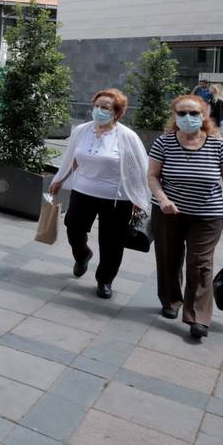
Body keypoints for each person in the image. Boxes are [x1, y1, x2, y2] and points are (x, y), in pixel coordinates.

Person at [147, 94, 223, 340]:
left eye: (194, 113)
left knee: (200, 263)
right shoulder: (164, 142)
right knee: (168, 258)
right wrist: (163, 199)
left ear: (204, 116)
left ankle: (198, 317)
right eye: (182, 113)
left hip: (207, 215)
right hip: (167, 213)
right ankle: (171, 299)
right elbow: (152, 175)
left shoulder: (218, 145)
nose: (188, 117)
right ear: (174, 116)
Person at [48, 89, 151, 299]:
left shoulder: (127, 137)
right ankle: (83, 254)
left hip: (116, 197)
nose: (99, 110)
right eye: (96, 106)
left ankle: (105, 280)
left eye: (105, 107)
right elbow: (73, 158)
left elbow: (137, 169)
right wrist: (59, 179)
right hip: (83, 190)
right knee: (73, 228)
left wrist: (138, 198)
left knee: (112, 242)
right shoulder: (82, 130)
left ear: (117, 112)